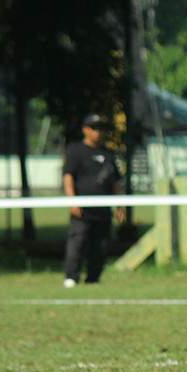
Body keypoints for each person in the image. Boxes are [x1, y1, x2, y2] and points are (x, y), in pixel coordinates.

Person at [62, 113, 126, 288]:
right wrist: (72, 201)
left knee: (101, 245)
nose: (98, 133)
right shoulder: (76, 151)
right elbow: (68, 177)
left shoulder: (108, 154)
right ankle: (71, 276)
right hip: (82, 208)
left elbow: (116, 182)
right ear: (85, 130)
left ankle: (93, 278)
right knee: (78, 241)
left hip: (103, 209)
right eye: (94, 128)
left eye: (101, 129)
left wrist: (119, 205)